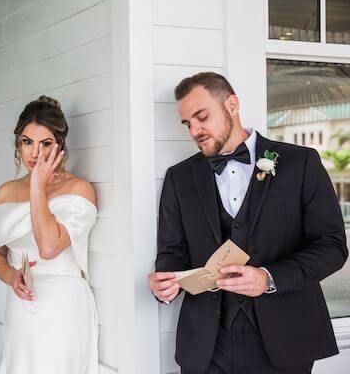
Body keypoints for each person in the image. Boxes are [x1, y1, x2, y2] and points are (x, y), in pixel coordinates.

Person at [147, 72, 348, 374]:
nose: (195, 130)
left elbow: (332, 247)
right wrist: (166, 282)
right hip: (206, 345)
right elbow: (173, 251)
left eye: (202, 117)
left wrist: (268, 278)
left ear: (232, 104)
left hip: (285, 339)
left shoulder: (300, 162)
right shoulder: (180, 177)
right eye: (188, 123)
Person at [0, 96, 99, 373]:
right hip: (21, 305)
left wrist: (37, 187)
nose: (35, 153)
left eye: (45, 143)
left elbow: (48, 247)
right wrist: (12, 276)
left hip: (63, 304)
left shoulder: (79, 189)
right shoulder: (5, 192)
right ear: (17, 144)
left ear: (60, 145)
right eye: (27, 142)